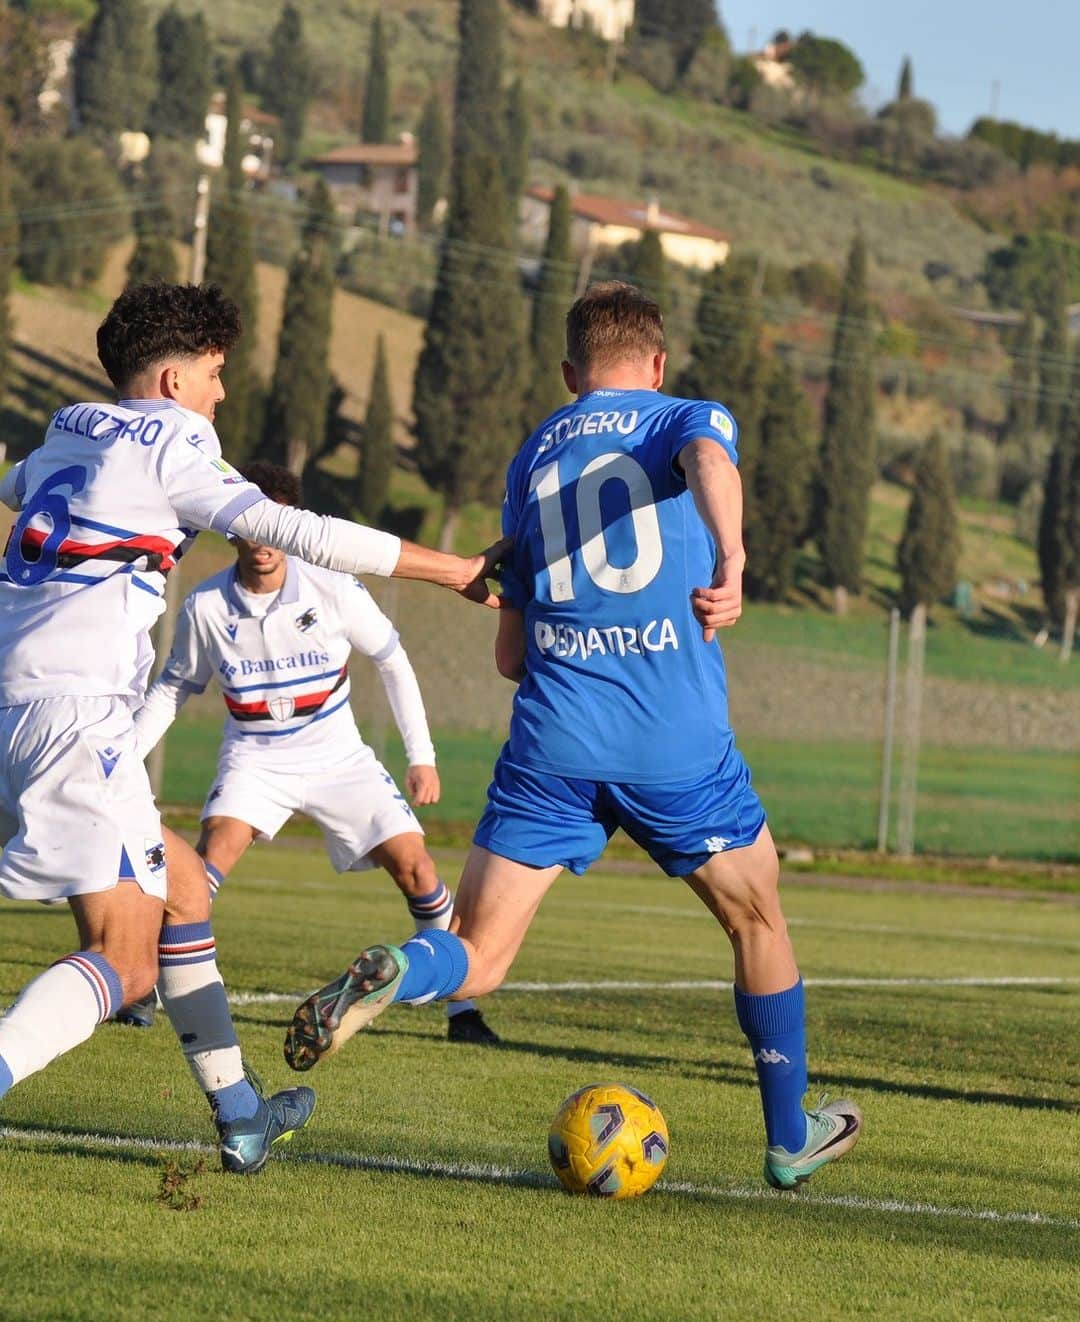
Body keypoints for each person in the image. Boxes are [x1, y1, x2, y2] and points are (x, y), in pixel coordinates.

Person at [283, 281, 862, 1192]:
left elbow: (511, 657)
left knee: (478, 954)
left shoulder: (530, 462)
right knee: (756, 916)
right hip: (673, 742)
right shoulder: (684, 415)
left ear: (569, 374)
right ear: (658, 362)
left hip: (553, 743)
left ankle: (402, 966)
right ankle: (790, 1136)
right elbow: (711, 456)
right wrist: (735, 557)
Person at [0, 282, 504, 1174]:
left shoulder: (59, 440)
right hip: (74, 716)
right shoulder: (171, 440)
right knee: (126, 960)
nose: (221, 396)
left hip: (23, 708)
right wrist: (451, 569)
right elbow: (299, 530)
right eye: (215, 374)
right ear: (168, 378)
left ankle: (240, 1118)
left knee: (186, 889)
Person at [126, 461, 499, 1046]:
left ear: (292, 526)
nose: (263, 541)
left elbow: (392, 658)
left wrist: (421, 755)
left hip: (339, 758)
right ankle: (142, 984)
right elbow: (174, 689)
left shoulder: (331, 587)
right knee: (205, 864)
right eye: (252, 527)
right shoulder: (206, 607)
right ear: (234, 528)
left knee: (417, 867)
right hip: (254, 759)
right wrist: (122, 759)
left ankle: (462, 1010)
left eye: (277, 527)